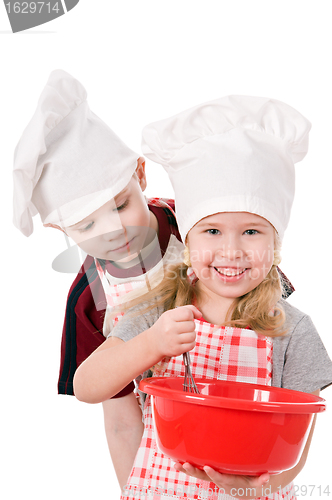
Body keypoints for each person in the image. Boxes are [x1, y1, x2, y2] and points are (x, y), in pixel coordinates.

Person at [73, 95, 332, 500]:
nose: (231, 251)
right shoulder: (158, 314)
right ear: (187, 239)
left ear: (276, 243)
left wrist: (249, 489)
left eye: (251, 231)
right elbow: (87, 386)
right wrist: (151, 345)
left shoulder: (294, 332)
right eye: (212, 232)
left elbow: (293, 456)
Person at [12, 69, 184, 490]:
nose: (114, 231)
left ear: (141, 175)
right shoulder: (88, 300)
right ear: (61, 231)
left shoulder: (196, 225)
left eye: (123, 204)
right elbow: (122, 420)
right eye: (87, 225)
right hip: (167, 448)